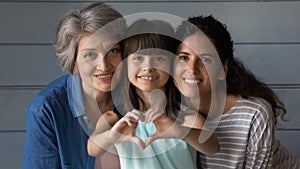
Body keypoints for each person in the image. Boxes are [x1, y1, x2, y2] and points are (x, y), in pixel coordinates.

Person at [87, 19, 219, 169]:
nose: (148, 67)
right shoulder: (114, 118)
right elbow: (92, 148)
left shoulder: (187, 118)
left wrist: (180, 132)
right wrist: (111, 136)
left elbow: (212, 147)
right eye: (138, 58)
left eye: (159, 58)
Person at [174, 15, 300, 169]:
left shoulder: (254, 113)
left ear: (223, 70)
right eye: (183, 57)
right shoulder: (168, 111)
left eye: (205, 59)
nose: (192, 69)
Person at [23, 2, 127, 168]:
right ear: (73, 63)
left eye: (113, 51)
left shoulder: (138, 97)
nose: (104, 65)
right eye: (90, 55)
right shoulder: (46, 110)